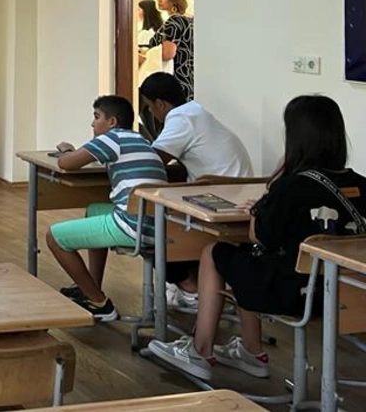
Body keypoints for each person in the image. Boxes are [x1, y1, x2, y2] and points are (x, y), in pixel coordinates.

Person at [147, 95, 366, 382]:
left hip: (295, 294)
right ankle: (250, 351)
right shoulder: (361, 184)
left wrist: (258, 209)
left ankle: (200, 349)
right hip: (349, 294)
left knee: (216, 253)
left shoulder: (292, 186)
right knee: (244, 258)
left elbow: (260, 237)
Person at [139, 72, 254, 310]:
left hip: (221, 202)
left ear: (161, 104)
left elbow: (151, 161)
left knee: (153, 228)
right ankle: (194, 285)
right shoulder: (195, 112)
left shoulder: (181, 120)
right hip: (238, 197)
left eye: (149, 106)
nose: (150, 112)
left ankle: (190, 289)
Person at [46, 95, 167, 321]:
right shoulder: (141, 139)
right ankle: (90, 287)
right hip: (157, 224)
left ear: (112, 122)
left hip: (132, 226)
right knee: (94, 209)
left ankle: (99, 304)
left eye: (96, 117)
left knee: (54, 237)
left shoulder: (111, 139)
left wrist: (66, 151)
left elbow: (66, 164)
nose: (92, 123)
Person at [148, 0, 194, 100]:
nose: (159, 0)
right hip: (190, 77)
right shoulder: (189, 20)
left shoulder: (174, 21)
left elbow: (168, 53)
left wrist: (146, 55)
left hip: (177, 79)